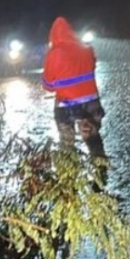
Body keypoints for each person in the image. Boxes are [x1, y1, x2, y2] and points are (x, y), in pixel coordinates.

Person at [42, 16, 106, 159]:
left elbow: (48, 86)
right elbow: (92, 68)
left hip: (66, 105)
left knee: (67, 142)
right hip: (91, 103)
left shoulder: (53, 54)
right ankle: (100, 165)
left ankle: (69, 165)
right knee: (92, 138)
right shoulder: (87, 49)